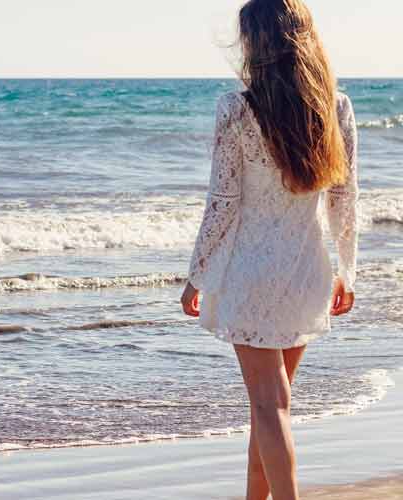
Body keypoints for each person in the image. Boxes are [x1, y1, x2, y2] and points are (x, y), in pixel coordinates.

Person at [179, 1, 358, 499]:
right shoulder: (335, 106)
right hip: (308, 273)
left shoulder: (236, 108)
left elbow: (223, 203)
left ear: (256, 41)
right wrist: (347, 269)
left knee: (268, 405)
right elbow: (346, 198)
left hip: (251, 275)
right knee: (272, 407)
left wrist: (198, 275)